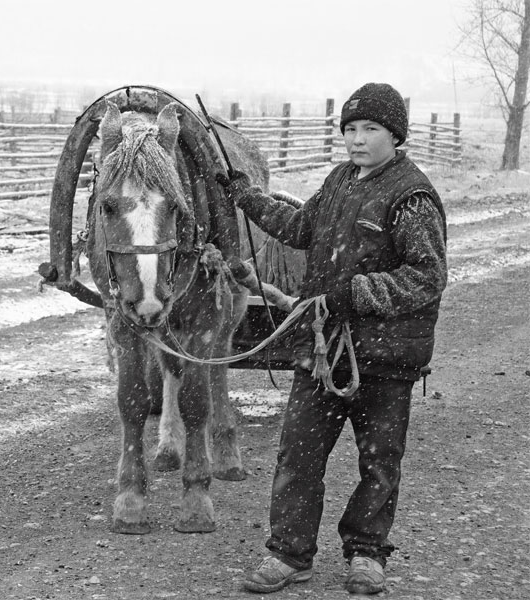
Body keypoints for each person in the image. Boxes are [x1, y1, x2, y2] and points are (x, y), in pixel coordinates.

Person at [232, 83, 447, 594]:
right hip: (323, 351)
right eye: (349, 129)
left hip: (386, 358)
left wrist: (357, 293)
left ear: (395, 134)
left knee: (377, 462)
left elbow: (427, 275)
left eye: (369, 129)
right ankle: (289, 554)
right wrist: (249, 200)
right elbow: (301, 226)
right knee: (298, 456)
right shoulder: (339, 181)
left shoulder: (412, 196)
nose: (357, 139)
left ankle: (367, 554)